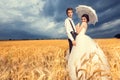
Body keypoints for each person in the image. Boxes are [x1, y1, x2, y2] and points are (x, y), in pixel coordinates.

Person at [68, 14, 111, 80]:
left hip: (80, 38)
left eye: (84, 19)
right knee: (84, 52)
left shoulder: (83, 23)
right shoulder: (86, 24)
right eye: (82, 19)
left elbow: (78, 32)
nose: (83, 20)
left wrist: (77, 27)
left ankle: (79, 71)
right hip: (82, 37)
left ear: (87, 20)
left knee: (79, 54)